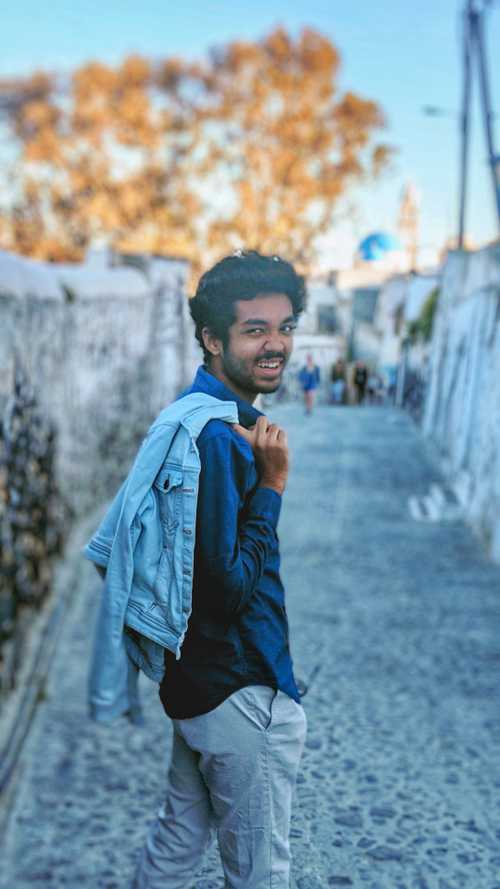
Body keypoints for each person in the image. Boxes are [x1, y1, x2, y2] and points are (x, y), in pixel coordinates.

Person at [133, 250, 308, 889]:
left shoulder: (194, 412)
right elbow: (227, 587)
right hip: (236, 689)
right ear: (212, 338)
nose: (276, 345)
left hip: (194, 682)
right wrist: (274, 485)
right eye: (255, 329)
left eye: (285, 327)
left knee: (177, 842)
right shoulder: (217, 437)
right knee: (260, 872)